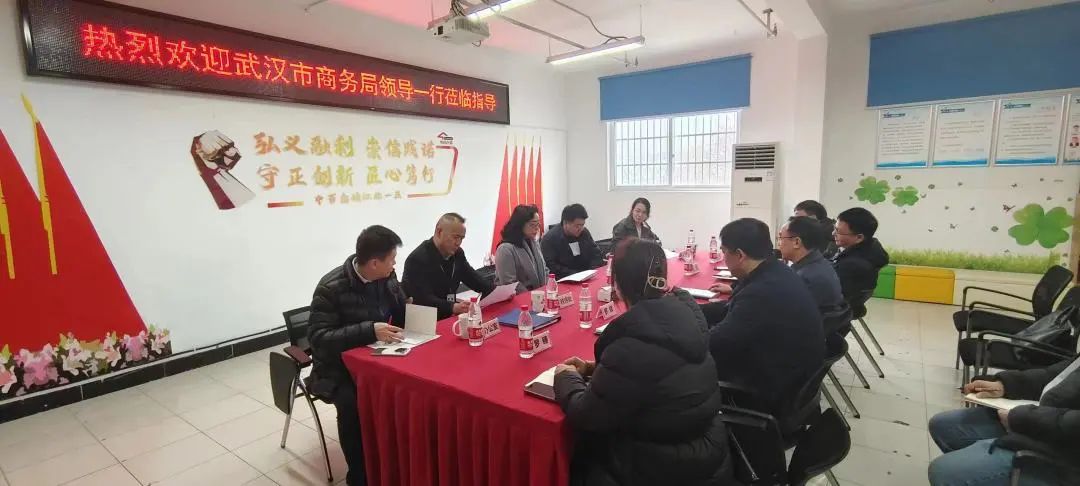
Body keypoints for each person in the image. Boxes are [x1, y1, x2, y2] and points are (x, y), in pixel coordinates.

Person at [553, 238, 734, 486]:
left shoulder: (631, 345)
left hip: (657, 466)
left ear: (617, 284)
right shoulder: (685, 315)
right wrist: (595, 368)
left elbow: (588, 414)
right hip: (705, 452)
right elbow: (658, 372)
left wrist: (566, 377)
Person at [700, 219, 824, 431]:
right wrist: (691, 309)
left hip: (768, 395)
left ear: (740, 255)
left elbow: (715, 343)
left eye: (724, 251)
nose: (723, 256)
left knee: (678, 368)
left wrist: (677, 331)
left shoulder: (761, 293)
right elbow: (730, 309)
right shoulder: (775, 271)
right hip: (792, 380)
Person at [308, 225, 408, 486]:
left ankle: (395, 462)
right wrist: (369, 330)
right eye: (391, 259)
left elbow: (401, 312)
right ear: (374, 263)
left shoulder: (387, 276)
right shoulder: (331, 288)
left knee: (407, 389)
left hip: (377, 356)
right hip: (336, 367)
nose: (394, 265)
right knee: (353, 405)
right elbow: (319, 338)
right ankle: (359, 475)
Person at [928, 357, 1080, 485]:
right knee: (946, 426)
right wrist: (1006, 385)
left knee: (945, 472)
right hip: (1045, 424)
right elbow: (1055, 376)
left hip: (1067, 456)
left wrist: (1021, 418)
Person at [402, 213, 494, 320]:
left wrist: (497, 292)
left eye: (462, 238)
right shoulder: (417, 259)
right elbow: (423, 299)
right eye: (455, 237)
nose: (458, 243)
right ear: (439, 232)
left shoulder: (457, 254)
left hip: (448, 316)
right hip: (423, 320)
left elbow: (474, 279)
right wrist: (452, 307)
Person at [831, 207, 889, 316]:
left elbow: (828, 293)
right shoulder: (870, 250)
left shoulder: (853, 265)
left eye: (838, 231)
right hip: (852, 305)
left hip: (836, 311)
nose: (833, 233)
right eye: (834, 228)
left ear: (859, 237)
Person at [778, 216, 844, 312]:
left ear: (796, 242)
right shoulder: (822, 263)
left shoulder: (803, 278)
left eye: (780, 237)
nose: (778, 243)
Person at [494, 204, 548, 293]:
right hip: (517, 297)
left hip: (538, 294)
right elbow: (509, 283)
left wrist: (546, 289)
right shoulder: (505, 249)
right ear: (520, 225)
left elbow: (544, 269)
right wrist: (532, 295)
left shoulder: (533, 242)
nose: (537, 228)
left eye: (538, 224)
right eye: (532, 225)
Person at [541, 204, 604, 279]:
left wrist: (591, 271)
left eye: (582, 225)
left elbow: (596, 254)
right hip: (564, 279)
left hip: (586, 276)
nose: (580, 229)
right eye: (577, 226)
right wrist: (576, 275)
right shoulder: (550, 239)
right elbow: (551, 266)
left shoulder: (584, 233)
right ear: (565, 223)